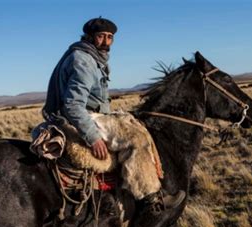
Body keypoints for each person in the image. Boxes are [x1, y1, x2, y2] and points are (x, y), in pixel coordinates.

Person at [39, 17, 185, 212]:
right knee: (136, 139)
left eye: (110, 37)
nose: (106, 42)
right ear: (89, 37)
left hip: (84, 113)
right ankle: (149, 198)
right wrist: (93, 138)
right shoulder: (84, 61)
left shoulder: (87, 57)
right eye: (101, 36)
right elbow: (74, 105)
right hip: (78, 116)